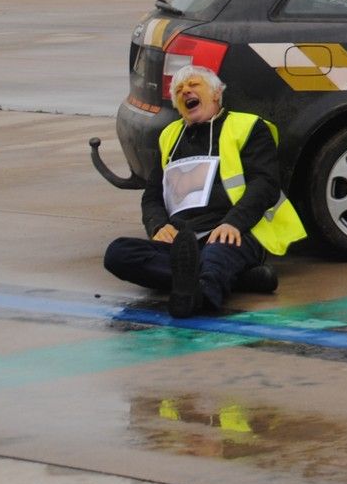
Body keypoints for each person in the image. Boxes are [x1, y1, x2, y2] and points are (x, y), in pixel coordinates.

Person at [104, 65, 306, 317]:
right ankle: (238, 280)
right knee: (118, 253)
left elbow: (264, 184)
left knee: (217, 255)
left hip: (233, 230)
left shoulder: (247, 127)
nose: (185, 90)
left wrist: (233, 223)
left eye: (194, 85)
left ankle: (199, 297)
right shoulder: (169, 136)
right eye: (179, 90)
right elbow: (152, 195)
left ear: (216, 93)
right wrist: (158, 226)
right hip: (182, 241)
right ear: (178, 105)